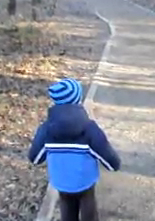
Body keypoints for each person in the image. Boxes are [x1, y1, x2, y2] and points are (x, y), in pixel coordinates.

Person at [28, 78, 121, 221]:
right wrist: (114, 165)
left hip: (61, 181)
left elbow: (35, 158)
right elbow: (108, 158)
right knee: (88, 208)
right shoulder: (89, 129)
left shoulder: (46, 130)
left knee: (67, 208)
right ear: (78, 100)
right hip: (85, 181)